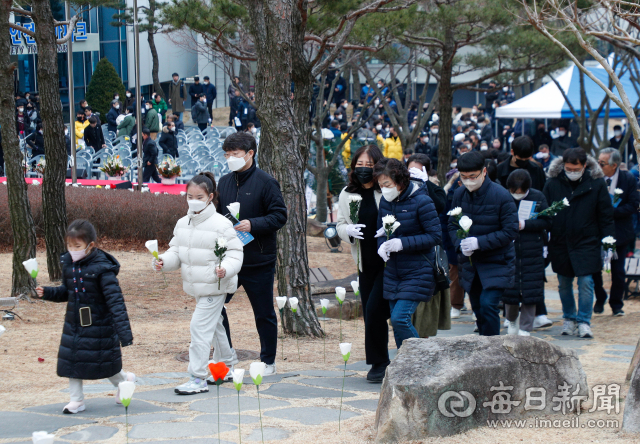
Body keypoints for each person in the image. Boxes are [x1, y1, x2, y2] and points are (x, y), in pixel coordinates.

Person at [155, 173, 243, 394]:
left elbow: (235, 253)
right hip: (197, 286)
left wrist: (226, 269)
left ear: (210, 197)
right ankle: (225, 368)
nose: (193, 200)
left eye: (199, 196)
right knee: (215, 326)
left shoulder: (222, 224)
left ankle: (198, 378)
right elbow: (177, 251)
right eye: (189, 195)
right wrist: (164, 261)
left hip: (216, 284)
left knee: (199, 328)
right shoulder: (182, 223)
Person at [35, 219, 134, 414]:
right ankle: (77, 401)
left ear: (91, 245)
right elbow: (66, 292)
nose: (73, 250)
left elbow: (115, 301)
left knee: (106, 364)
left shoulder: (103, 269)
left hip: (99, 324)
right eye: (69, 246)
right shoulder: (69, 266)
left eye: (77, 246)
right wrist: (46, 292)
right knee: (72, 362)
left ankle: (125, 381)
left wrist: (124, 333)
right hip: (74, 324)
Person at [217, 132, 287, 376]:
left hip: (258, 259)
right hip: (229, 259)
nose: (230, 159)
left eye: (235, 154)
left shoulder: (266, 182)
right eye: (227, 154)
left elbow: (280, 215)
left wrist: (253, 224)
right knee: (215, 306)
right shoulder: (224, 182)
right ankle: (226, 356)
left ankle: (268, 360)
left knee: (264, 313)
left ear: (250, 154)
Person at [543, 148, 615, 338]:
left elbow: (605, 215)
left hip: (587, 240)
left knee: (586, 282)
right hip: (560, 240)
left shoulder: (596, 184)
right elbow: (545, 211)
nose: (572, 172)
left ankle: (584, 320)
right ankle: (569, 317)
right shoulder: (552, 183)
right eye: (568, 168)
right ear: (563, 166)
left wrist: (608, 241)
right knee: (564, 283)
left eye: (576, 169)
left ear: (584, 166)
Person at [448, 151, 518, 336]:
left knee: (488, 305)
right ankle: (484, 344)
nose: (469, 181)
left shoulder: (501, 195)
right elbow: (452, 224)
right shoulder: (460, 193)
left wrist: (479, 242)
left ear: (484, 171)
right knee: (478, 308)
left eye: (473, 176)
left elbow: (510, 231)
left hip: (496, 260)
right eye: (464, 177)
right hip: (470, 263)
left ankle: (494, 348)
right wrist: (459, 243)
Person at [374, 158, 442, 348]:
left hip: (418, 269)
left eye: (387, 184)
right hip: (393, 270)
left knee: (400, 318)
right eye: (380, 185)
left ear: (400, 181)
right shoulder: (385, 201)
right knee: (395, 324)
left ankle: (421, 361)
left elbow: (435, 236)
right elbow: (381, 230)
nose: (384, 189)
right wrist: (382, 244)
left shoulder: (422, 200)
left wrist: (402, 243)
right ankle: (404, 368)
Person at [336, 145, 390, 382]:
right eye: (360, 165)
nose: (365, 170)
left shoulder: (387, 190)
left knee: (375, 310)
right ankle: (380, 361)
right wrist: (346, 230)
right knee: (371, 314)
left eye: (370, 166)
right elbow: (339, 224)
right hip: (364, 262)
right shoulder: (348, 193)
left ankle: (380, 363)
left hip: (389, 262)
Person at [502, 169, 552, 336]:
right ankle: (511, 319)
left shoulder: (538, 197)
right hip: (509, 249)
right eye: (514, 191)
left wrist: (526, 225)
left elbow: (547, 221)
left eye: (520, 191)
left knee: (531, 290)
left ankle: (526, 328)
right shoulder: (503, 197)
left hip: (532, 249)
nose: (517, 194)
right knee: (510, 289)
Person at [593, 148, 640, 316]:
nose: (599, 166)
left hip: (619, 231)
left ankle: (616, 303)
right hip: (597, 231)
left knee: (618, 271)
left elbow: (634, 204)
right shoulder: (595, 178)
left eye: (602, 164)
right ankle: (600, 297)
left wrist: (612, 212)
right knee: (594, 269)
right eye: (598, 162)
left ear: (614, 165)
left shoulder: (628, 179)